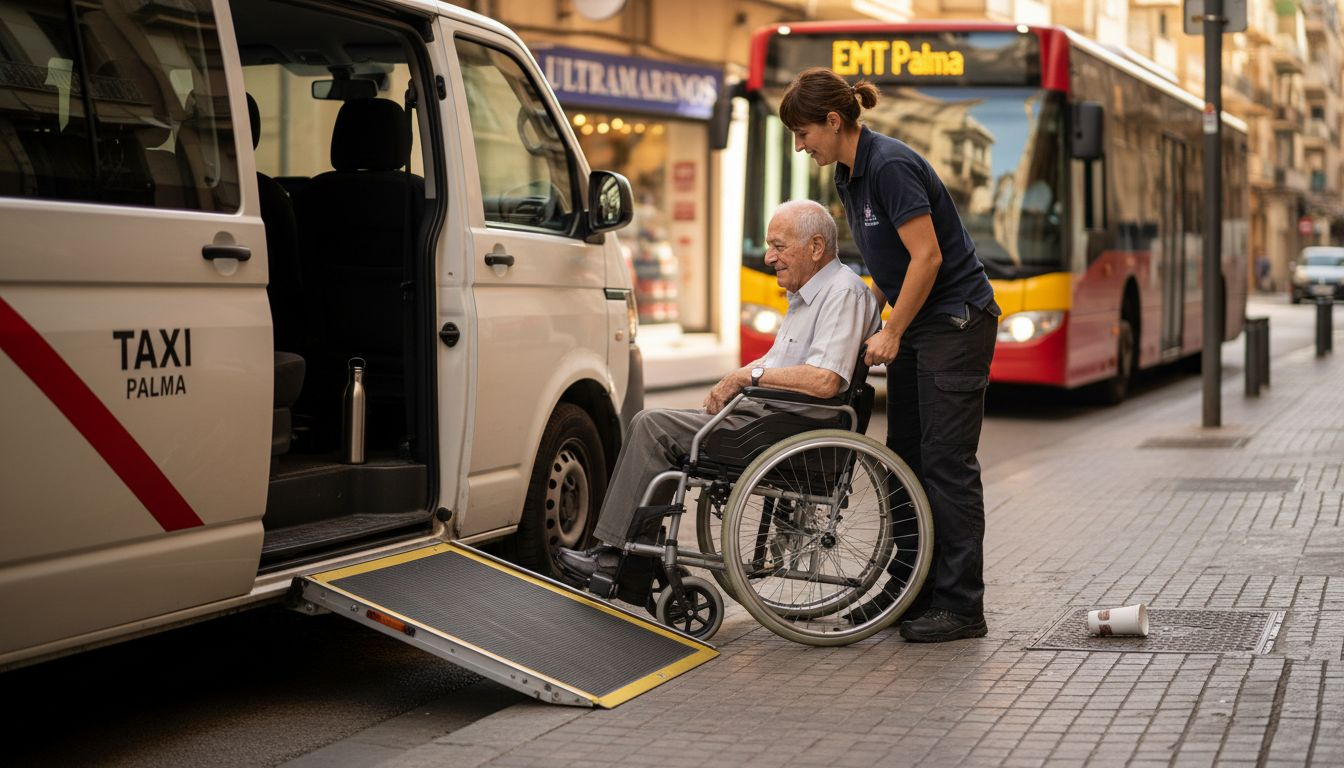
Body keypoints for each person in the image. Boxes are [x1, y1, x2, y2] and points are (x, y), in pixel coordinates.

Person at [778, 67, 1000, 643]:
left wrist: (893, 330)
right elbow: (889, 265)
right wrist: (862, 312)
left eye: (804, 133)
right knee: (906, 462)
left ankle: (960, 606)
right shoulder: (850, 177)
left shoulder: (889, 165)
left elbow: (927, 259)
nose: (800, 146)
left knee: (946, 466)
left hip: (954, 323)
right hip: (921, 323)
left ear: (834, 120)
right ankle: (911, 590)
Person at [558, 199, 879, 584]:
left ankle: (618, 559)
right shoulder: (808, 294)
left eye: (779, 246)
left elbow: (826, 380)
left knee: (651, 427)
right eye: (769, 245)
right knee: (657, 429)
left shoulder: (842, 294)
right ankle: (635, 556)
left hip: (790, 429)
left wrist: (744, 377)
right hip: (772, 420)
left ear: (814, 247)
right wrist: (744, 380)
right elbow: (787, 366)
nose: (769, 257)